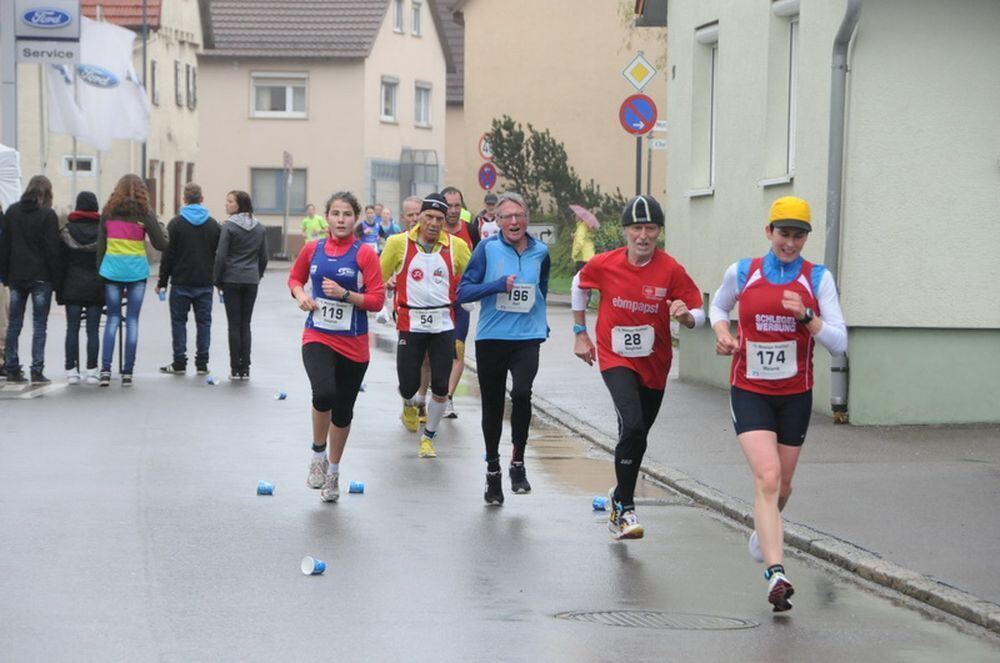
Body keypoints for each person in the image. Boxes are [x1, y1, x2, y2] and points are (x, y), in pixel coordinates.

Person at [710, 196, 847, 612]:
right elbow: (717, 305)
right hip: (750, 390)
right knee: (768, 477)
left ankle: (762, 535)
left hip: (794, 395)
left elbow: (840, 342)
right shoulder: (744, 271)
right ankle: (776, 573)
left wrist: (808, 316)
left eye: (799, 235)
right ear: (769, 232)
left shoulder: (817, 279)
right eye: (784, 233)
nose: (790, 242)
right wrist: (722, 331)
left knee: (782, 486)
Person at [572, 196, 704, 540]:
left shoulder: (671, 269)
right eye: (636, 228)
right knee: (631, 426)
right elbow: (578, 286)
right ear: (625, 231)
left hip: (655, 364)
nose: (643, 236)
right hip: (616, 359)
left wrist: (687, 317)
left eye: (650, 229)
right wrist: (579, 332)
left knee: (637, 435)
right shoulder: (605, 264)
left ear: (659, 232)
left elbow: (698, 311)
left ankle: (618, 496)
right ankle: (625, 510)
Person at [288, 191, 385, 503]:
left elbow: (377, 300)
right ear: (326, 218)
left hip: (354, 345)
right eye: (335, 214)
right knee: (323, 392)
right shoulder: (312, 249)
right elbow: (294, 278)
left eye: (346, 214)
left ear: (355, 219)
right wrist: (300, 295)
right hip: (317, 336)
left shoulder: (364, 254)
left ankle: (333, 470)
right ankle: (317, 453)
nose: (341, 220)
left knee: (343, 411)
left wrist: (346, 295)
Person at [457, 192, 549, 505]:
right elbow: (463, 291)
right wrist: (495, 286)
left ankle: (518, 462)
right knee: (493, 406)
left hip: (527, 337)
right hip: (492, 338)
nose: (513, 222)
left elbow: (542, 289)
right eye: (506, 217)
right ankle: (493, 470)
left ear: (527, 218)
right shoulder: (487, 248)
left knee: (522, 394)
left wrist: (542, 320)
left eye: (519, 216)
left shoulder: (541, 252)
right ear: (497, 221)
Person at [381, 193, 471, 458]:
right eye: (429, 217)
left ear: (445, 221)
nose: (433, 223)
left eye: (439, 219)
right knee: (407, 385)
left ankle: (429, 437)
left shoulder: (456, 246)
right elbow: (379, 273)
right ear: (419, 216)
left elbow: (472, 275)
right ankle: (409, 404)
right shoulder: (398, 243)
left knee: (441, 385)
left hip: (443, 323)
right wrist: (383, 288)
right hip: (411, 322)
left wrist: (472, 295)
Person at [96, 174, 168, 387]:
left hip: (111, 271)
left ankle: (105, 371)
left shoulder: (108, 212)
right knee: (133, 321)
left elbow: (100, 246)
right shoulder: (144, 213)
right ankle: (127, 372)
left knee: (112, 319)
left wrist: (100, 271)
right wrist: (160, 225)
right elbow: (162, 244)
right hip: (136, 272)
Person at [0, 175, 61, 384]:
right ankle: (37, 369)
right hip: (41, 277)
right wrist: (56, 279)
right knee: (39, 325)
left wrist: (5, 275)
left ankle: (12, 367)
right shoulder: (48, 215)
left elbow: (5, 246)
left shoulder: (12, 212)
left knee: (14, 324)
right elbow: (52, 250)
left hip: (17, 275)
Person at [157, 183, 220, 375]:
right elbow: (218, 255)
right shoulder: (213, 225)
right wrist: (219, 282)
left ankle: (179, 362)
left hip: (181, 282)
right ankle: (202, 363)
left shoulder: (175, 224)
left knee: (178, 322)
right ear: (202, 199)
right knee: (204, 323)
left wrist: (162, 283)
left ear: (184, 199)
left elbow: (168, 256)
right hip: (205, 282)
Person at [214, 190, 268, 380]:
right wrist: (257, 275)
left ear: (239, 205)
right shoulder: (259, 228)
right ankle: (246, 368)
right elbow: (263, 257)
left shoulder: (229, 227)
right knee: (246, 324)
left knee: (234, 325)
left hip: (231, 279)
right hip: (251, 280)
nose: (226, 204)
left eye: (230, 201)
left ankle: (235, 368)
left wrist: (217, 280)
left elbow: (221, 255)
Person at [56, 191, 105, 385]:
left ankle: (71, 370)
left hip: (72, 285)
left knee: (72, 328)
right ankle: (92, 370)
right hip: (95, 285)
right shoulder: (103, 231)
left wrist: (59, 291)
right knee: (93, 330)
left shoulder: (67, 231)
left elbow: (60, 263)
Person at [441, 186, 480, 418]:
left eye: (457, 205)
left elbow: (478, 260)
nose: (453, 211)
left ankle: (448, 399)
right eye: (449, 206)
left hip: (461, 300)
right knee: (434, 353)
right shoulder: (433, 229)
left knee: (457, 349)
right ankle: (428, 393)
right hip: (435, 302)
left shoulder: (471, 230)